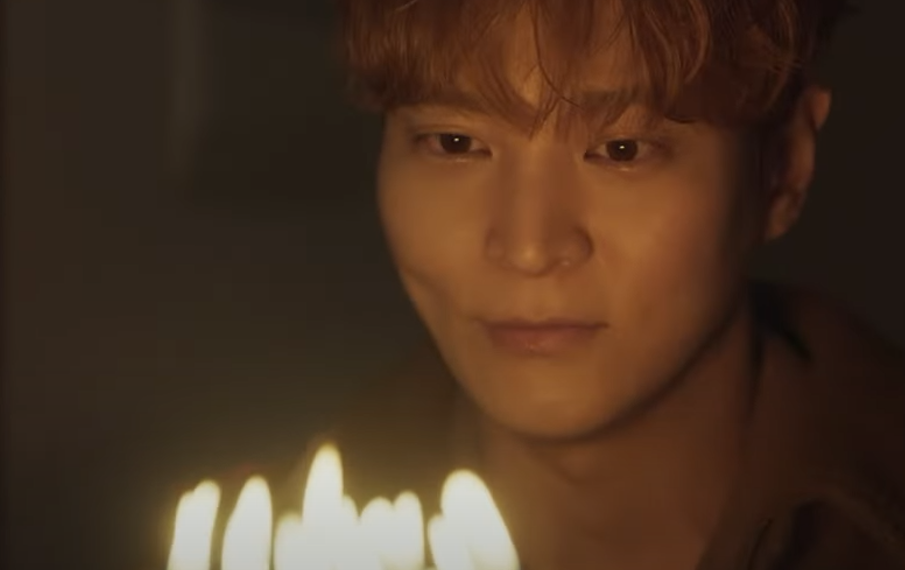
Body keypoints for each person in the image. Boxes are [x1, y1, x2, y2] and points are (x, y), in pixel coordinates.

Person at [285, 1, 905, 568]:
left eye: (622, 149)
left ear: (784, 166)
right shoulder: (300, 533)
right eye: (455, 143)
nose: (528, 248)